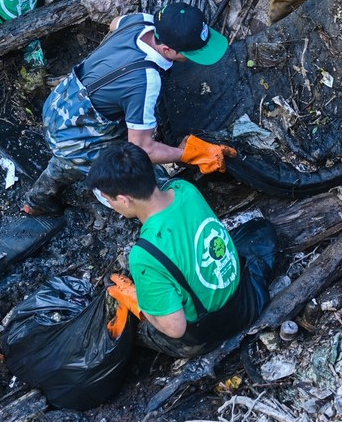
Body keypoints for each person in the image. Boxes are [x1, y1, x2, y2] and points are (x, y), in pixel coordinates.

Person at [21, 2, 236, 217]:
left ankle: (37, 199)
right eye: (190, 53)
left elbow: (115, 24)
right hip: (76, 135)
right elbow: (144, 149)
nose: (191, 58)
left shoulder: (143, 20)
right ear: (167, 50)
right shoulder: (146, 81)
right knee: (145, 185)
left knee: (67, 157)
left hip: (59, 103)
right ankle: (115, 196)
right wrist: (188, 153)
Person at [88, 142, 275, 358]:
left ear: (123, 199)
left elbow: (176, 328)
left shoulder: (144, 255)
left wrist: (141, 301)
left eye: (110, 200)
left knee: (133, 329)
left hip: (216, 327)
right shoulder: (184, 189)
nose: (112, 205)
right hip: (246, 293)